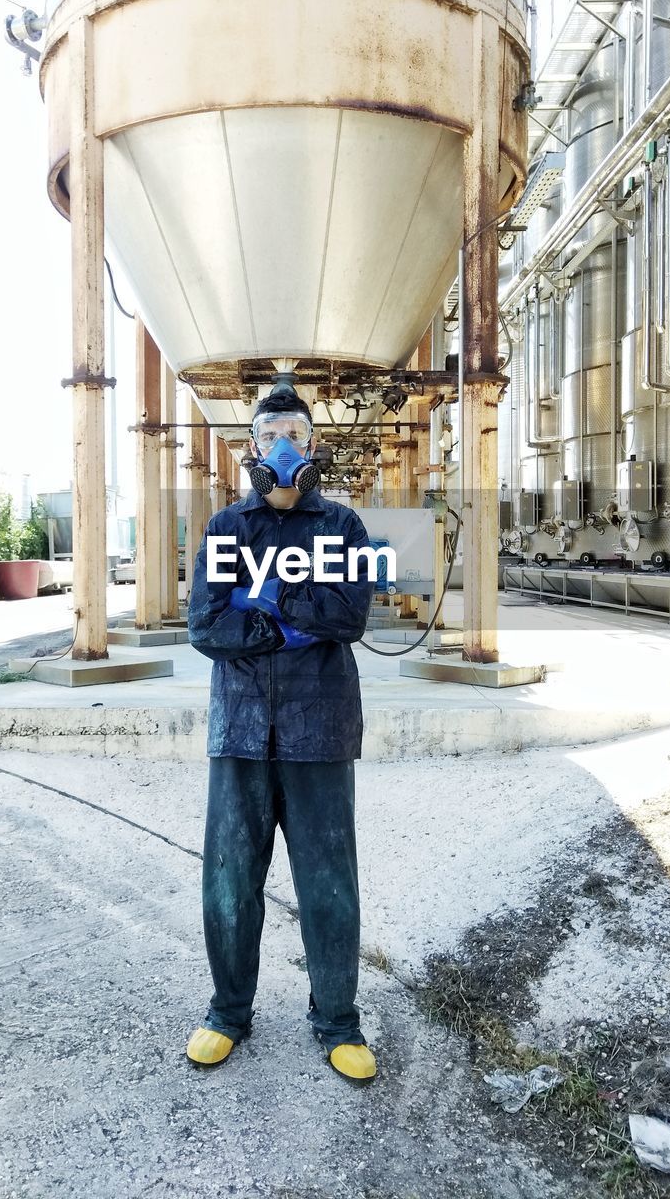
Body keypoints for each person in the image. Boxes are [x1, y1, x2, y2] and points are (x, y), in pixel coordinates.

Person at [185, 386, 377, 1082]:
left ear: (313, 447)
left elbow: (349, 616)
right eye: (270, 435)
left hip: (320, 726)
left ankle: (338, 1022)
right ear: (252, 450)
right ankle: (227, 1013)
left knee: (328, 883)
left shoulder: (344, 527)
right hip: (238, 729)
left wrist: (261, 595)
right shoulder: (224, 528)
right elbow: (207, 626)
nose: (283, 446)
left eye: (294, 432)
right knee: (230, 879)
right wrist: (298, 617)